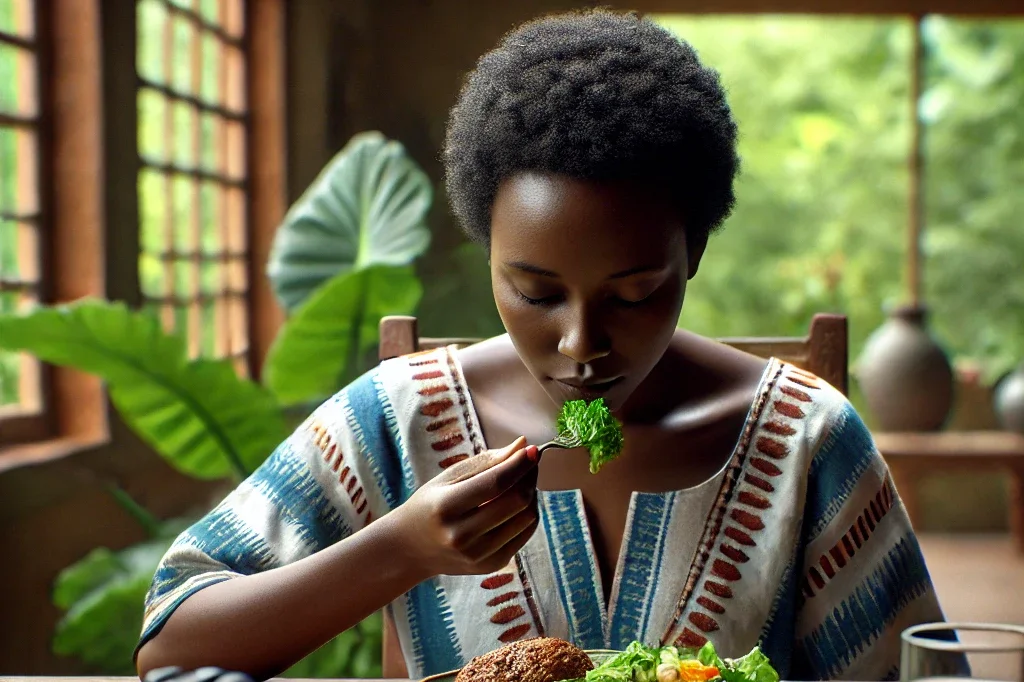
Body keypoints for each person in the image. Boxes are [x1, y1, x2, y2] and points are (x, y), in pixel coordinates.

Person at [136, 10, 948, 682]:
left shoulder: (806, 438)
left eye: (633, 294)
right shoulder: (397, 419)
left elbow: (916, 671)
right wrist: (400, 549)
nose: (580, 344)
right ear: (487, 252)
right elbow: (171, 639)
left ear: (692, 255)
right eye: (534, 292)